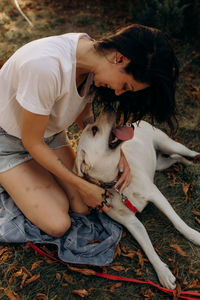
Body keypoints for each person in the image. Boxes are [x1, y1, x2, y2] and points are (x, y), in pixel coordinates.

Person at [0, 24, 179, 237]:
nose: (119, 92)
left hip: (50, 135)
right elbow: (32, 143)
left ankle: (35, 176)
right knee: (58, 224)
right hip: (8, 143)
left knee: (83, 208)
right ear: (120, 58)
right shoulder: (45, 68)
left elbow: (81, 114)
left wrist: (115, 149)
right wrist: (83, 187)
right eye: (125, 85)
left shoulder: (92, 60)